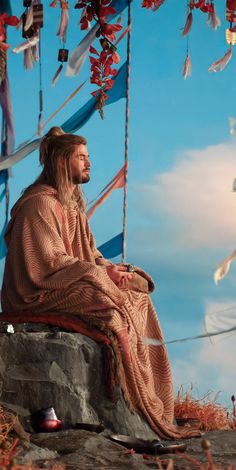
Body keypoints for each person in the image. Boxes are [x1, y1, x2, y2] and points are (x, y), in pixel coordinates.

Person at [1, 127, 200, 440]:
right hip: (36, 292)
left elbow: (90, 254)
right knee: (108, 305)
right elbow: (48, 262)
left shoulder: (72, 205)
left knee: (136, 294)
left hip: (71, 280)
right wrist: (99, 275)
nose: (88, 163)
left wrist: (114, 270)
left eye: (88, 157)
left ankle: (156, 405)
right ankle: (136, 405)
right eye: (82, 157)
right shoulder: (38, 205)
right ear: (63, 162)